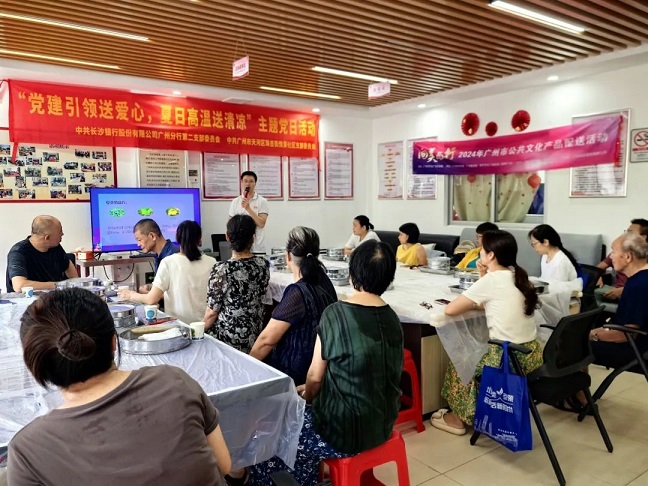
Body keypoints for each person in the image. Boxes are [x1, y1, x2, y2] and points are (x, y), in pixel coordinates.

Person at [8, 288, 231, 485]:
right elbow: (223, 465)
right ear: (114, 342)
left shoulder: (27, 449)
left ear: (34, 363)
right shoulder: (174, 381)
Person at [250, 240, 404, 485]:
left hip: (343, 433)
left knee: (272, 433)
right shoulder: (392, 317)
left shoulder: (336, 314)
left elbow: (314, 377)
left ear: (352, 273)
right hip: (383, 425)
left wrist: (307, 396)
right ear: (389, 278)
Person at [432, 230, 543, 435]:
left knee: (462, 363)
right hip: (532, 354)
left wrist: (481, 285)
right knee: (475, 356)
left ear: (491, 255)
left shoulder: (493, 281)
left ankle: (458, 419)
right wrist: (483, 276)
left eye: (482, 249)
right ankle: (473, 411)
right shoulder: (518, 276)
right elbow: (493, 301)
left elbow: (450, 310)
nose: (479, 252)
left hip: (508, 357)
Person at [250, 226, 337, 385]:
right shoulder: (325, 280)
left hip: (299, 373)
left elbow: (266, 340)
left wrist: (245, 367)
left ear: (288, 256)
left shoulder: (298, 292)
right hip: (323, 366)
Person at [119, 220, 216, 324]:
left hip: (179, 326)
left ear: (177, 239)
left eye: (139, 240)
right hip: (205, 325)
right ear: (200, 239)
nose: (138, 244)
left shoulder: (169, 262)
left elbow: (152, 299)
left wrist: (130, 295)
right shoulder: (213, 262)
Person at [204, 214, 270, 353]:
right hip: (255, 337)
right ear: (253, 238)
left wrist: (196, 332)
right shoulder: (263, 265)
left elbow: (211, 314)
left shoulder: (222, 269)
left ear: (227, 236)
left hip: (227, 340)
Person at [589, 232, 648, 369]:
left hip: (639, 351)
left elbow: (627, 335)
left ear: (628, 257)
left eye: (614, 251)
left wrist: (594, 335)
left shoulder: (637, 285)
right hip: (643, 346)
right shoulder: (641, 279)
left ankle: (579, 384)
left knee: (572, 346)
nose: (611, 256)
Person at [6, 215, 78, 292]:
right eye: (60, 232)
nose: (62, 234)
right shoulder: (18, 252)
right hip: (28, 298)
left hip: (52, 295)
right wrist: (58, 285)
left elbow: (68, 266)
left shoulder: (55, 247)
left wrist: (76, 285)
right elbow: (19, 286)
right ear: (47, 238)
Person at [596, 218, 648, 301]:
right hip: (616, 290)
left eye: (630, 233)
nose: (626, 235)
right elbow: (598, 268)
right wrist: (597, 276)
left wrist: (624, 290)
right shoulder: (619, 252)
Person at [133, 218, 179, 293]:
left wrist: (148, 294)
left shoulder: (173, 256)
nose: (138, 244)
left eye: (139, 240)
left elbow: (175, 293)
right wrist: (152, 287)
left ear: (152, 236)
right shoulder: (159, 256)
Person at [228, 171, 269, 254]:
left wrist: (248, 209)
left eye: (251, 181)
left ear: (255, 183)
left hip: (257, 247)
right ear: (241, 182)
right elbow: (231, 225)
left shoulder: (262, 201)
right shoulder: (235, 201)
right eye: (245, 181)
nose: (248, 184)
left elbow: (261, 224)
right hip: (239, 248)